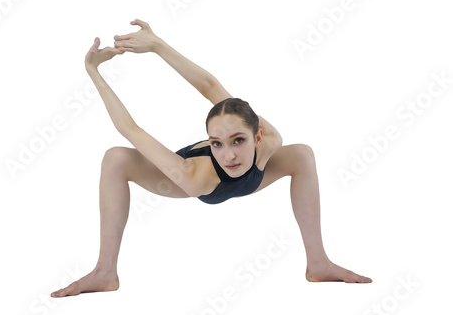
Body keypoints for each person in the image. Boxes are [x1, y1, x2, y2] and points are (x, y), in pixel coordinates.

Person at [50, 19, 371, 298]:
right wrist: (93, 70)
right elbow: (129, 129)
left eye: (239, 141)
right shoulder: (193, 174)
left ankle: (318, 263)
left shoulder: (271, 140)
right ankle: (106, 271)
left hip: (252, 178)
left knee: (301, 154)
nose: (229, 154)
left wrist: (160, 46)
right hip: (198, 187)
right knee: (115, 158)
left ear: (258, 137)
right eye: (217, 143)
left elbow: (211, 86)